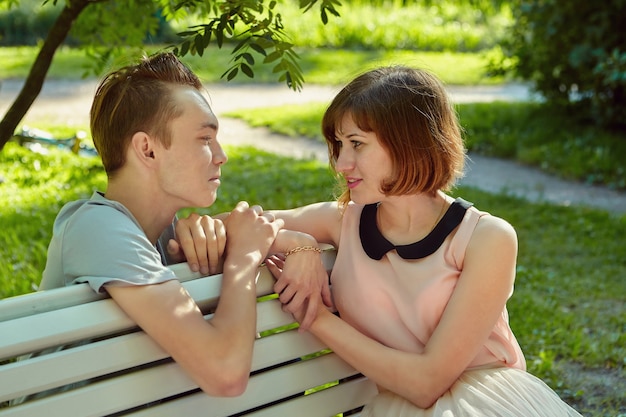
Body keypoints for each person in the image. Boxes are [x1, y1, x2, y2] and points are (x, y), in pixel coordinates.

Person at [259, 66, 584, 416]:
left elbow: (426, 384)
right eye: (339, 145)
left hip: (487, 403)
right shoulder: (342, 221)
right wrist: (298, 242)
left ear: (409, 144)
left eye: (357, 144)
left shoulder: (486, 239)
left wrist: (317, 317)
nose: (341, 163)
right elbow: (233, 224)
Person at [33, 52, 326, 399]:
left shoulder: (170, 235)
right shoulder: (95, 228)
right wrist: (244, 258)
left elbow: (320, 219)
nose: (221, 155)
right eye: (204, 139)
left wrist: (299, 244)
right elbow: (225, 374)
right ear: (148, 150)